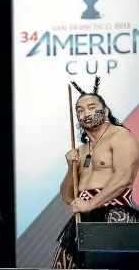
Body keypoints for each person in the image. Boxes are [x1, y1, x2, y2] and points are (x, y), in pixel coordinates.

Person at [52, 76, 139, 269]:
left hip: (114, 212)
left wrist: (91, 203)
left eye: (92, 107)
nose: (86, 113)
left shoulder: (120, 136)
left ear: (105, 111)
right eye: (80, 110)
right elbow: (68, 198)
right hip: (82, 217)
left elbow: (124, 177)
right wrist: (70, 168)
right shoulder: (82, 150)